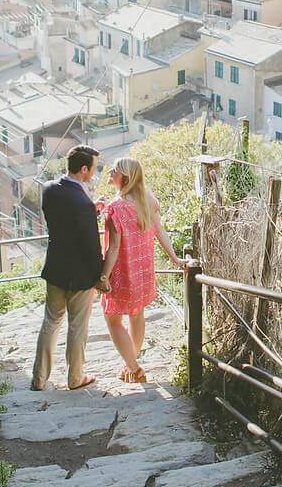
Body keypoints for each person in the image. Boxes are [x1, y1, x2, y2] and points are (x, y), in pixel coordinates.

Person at [97, 157, 178, 384]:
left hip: (122, 273)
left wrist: (103, 276)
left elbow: (113, 248)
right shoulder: (147, 199)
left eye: (115, 169)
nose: (110, 171)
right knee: (136, 315)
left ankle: (134, 367)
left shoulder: (116, 208)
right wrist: (176, 259)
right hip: (143, 274)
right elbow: (160, 231)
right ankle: (130, 365)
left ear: (125, 177)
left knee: (112, 320)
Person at [31, 144, 103, 391]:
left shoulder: (49, 190)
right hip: (80, 274)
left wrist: (90, 209)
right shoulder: (82, 204)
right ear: (84, 169)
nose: (94, 173)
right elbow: (91, 245)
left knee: (50, 322)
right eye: (93, 168)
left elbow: (63, 219)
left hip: (56, 266)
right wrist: (101, 275)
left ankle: (39, 379)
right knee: (77, 326)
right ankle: (75, 377)